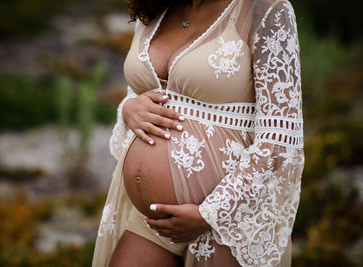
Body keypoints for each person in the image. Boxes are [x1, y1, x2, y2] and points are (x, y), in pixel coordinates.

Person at [92, 0, 305, 266]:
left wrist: (210, 214)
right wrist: (128, 108)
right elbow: (140, 91)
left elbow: (280, 137)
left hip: (230, 218)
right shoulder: (156, 8)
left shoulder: (265, 9)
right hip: (154, 221)